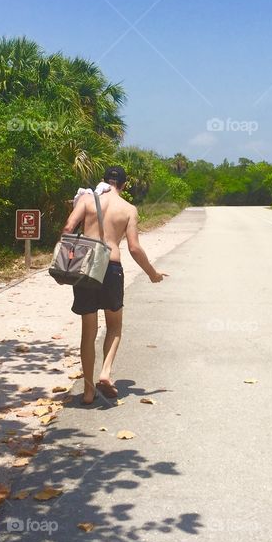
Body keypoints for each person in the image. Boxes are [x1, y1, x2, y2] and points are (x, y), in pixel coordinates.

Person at [61, 166, 167, 405]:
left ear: (104, 181)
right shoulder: (129, 209)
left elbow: (68, 228)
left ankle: (88, 392)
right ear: (125, 185)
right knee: (115, 327)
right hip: (111, 267)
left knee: (88, 331)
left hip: (86, 266)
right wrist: (152, 273)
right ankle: (106, 373)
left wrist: (65, 257)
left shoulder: (87, 199)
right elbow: (134, 248)